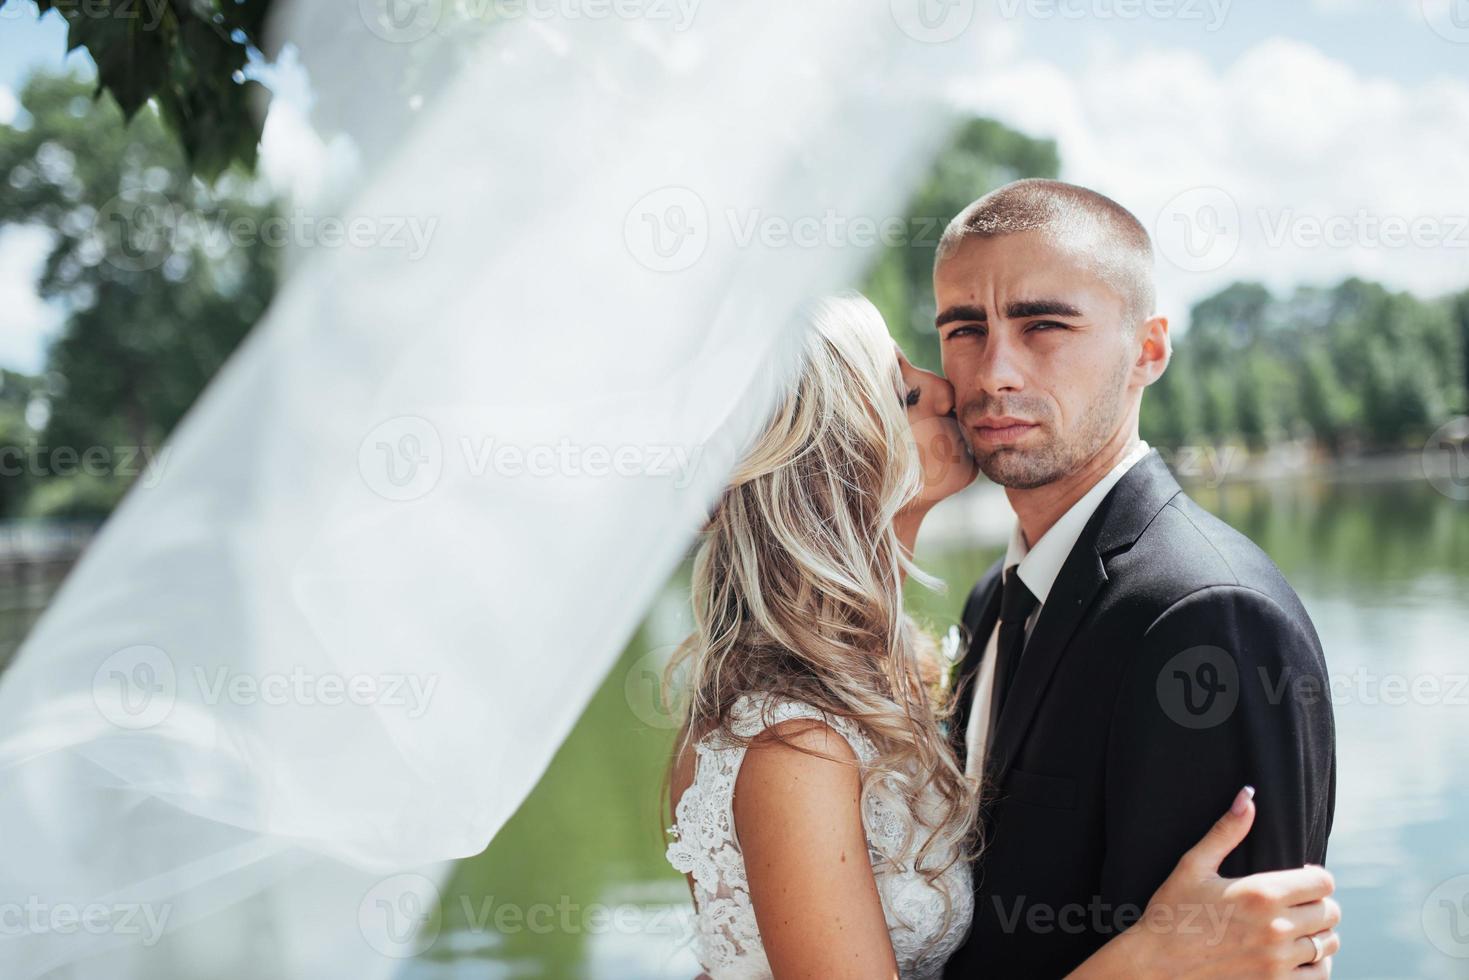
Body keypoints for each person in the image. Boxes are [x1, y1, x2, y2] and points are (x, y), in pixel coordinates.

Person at [663, 291, 1340, 979]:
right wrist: (1150, 960)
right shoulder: (792, 744)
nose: (941, 386)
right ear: (833, 465)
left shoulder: (906, 664)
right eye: (900, 394)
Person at [935, 180, 1337, 977]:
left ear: (1147, 351)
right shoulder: (995, 596)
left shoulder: (1208, 615)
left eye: (1042, 324)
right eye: (965, 328)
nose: (994, 372)